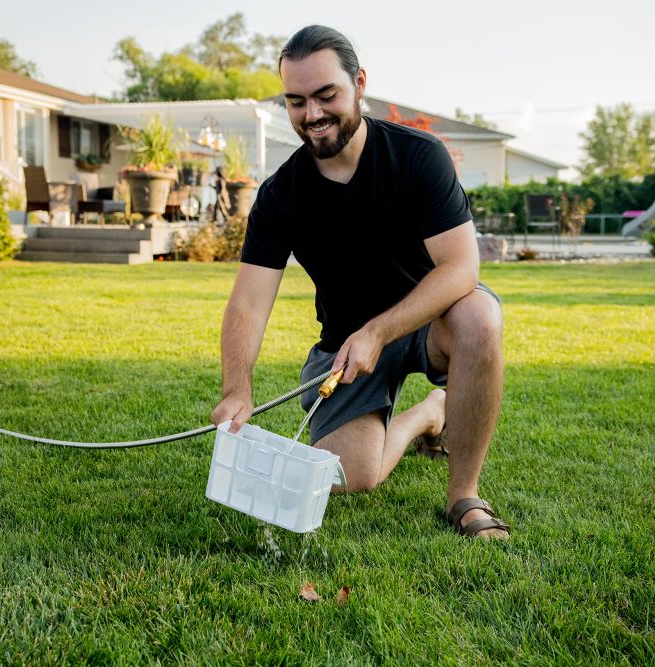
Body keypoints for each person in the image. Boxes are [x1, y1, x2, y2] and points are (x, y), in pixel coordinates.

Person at [210, 25, 509, 539]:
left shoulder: (418, 157)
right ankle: (426, 414)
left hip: (426, 322)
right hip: (345, 347)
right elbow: (248, 304)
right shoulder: (281, 195)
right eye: (297, 101)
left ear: (359, 84)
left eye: (327, 95)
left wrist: (378, 333)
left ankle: (464, 496)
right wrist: (238, 387)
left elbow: (461, 268)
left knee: (479, 315)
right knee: (353, 475)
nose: (313, 115)